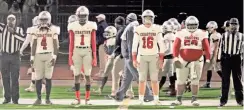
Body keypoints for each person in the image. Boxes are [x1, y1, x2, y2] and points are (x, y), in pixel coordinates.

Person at [112, 13, 154, 102]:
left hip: (130, 56)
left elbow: (131, 43)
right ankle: (120, 94)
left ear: (128, 19)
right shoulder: (135, 26)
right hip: (129, 56)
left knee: (138, 75)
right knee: (127, 77)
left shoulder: (131, 27)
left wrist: (132, 57)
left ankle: (148, 94)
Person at [171, 16, 211, 106]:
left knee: (195, 81)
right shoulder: (180, 33)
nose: (192, 27)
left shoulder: (202, 33)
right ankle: (178, 99)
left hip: (197, 60)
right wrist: (176, 58)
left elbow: (207, 47)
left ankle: (194, 99)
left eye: (194, 25)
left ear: (197, 25)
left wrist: (208, 59)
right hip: (183, 60)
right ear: (186, 25)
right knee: (181, 80)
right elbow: (175, 46)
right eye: (190, 25)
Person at [132, 9, 165, 105]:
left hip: (153, 56)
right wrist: (134, 59)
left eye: (149, 18)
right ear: (143, 18)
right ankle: (141, 99)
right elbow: (135, 45)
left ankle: (156, 99)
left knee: (154, 79)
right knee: (142, 79)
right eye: (146, 18)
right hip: (142, 56)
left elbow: (161, 44)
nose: (147, 20)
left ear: (152, 18)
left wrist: (161, 58)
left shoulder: (157, 28)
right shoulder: (138, 29)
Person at [68, 6, 97, 105]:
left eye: (84, 16)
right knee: (76, 75)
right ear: (77, 16)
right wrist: (70, 57)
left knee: (88, 75)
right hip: (76, 50)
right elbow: (71, 43)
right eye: (81, 16)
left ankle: (87, 99)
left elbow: (93, 42)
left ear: (87, 16)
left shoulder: (91, 25)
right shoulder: (73, 25)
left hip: (87, 50)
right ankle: (77, 98)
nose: (82, 18)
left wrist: (94, 56)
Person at [30, 11, 59, 105]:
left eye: (45, 19)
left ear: (49, 20)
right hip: (38, 55)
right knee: (38, 78)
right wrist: (32, 57)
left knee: (48, 78)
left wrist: (54, 57)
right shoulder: (35, 30)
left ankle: (47, 99)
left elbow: (56, 45)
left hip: (49, 55)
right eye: (41, 19)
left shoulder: (54, 29)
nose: (43, 21)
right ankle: (38, 99)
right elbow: (33, 45)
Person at [217, 18, 243, 107]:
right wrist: (219, 60)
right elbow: (220, 48)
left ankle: (240, 100)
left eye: (235, 24)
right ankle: (223, 100)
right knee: (225, 80)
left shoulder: (241, 36)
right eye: (232, 24)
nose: (234, 26)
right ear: (229, 25)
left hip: (236, 58)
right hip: (226, 58)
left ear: (238, 25)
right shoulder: (223, 35)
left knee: (237, 80)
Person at [0, 14, 25, 104]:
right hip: (4, 55)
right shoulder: (2, 28)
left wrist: (13, 32)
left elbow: (23, 39)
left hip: (15, 56)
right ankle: (7, 98)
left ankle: (15, 99)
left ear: (15, 21)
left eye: (12, 19)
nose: (11, 21)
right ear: (6, 20)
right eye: (9, 19)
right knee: (5, 77)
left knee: (15, 78)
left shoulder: (19, 30)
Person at [201, 21, 222, 88]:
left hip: (214, 54)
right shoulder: (218, 34)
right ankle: (208, 83)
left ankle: (226, 82)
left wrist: (214, 57)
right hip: (213, 54)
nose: (208, 29)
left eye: (209, 28)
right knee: (209, 68)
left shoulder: (214, 35)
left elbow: (216, 46)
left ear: (213, 27)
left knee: (217, 69)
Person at [158, 20, 176, 96]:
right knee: (170, 74)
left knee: (164, 74)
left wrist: (160, 53)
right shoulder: (174, 35)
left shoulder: (166, 36)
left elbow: (167, 48)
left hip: (168, 57)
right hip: (173, 57)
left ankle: (157, 89)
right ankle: (173, 91)